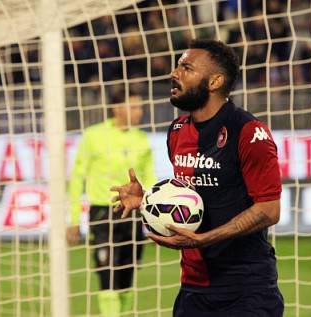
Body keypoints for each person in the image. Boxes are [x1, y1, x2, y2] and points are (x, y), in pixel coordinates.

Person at [110, 39, 284, 317]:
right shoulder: (177, 130)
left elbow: (269, 210)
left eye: (186, 68)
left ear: (215, 81)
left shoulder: (249, 132)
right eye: (178, 65)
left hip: (246, 291)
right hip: (193, 290)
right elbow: (193, 197)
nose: (174, 73)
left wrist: (204, 239)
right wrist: (145, 201)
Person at [67, 90, 156, 317]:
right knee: (107, 272)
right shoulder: (93, 136)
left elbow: (150, 179)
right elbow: (77, 178)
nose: (140, 111)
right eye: (134, 107)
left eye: (140, 107)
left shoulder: (142, 140)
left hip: (132, 213)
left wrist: (154, 217)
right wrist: (74, 219)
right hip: (102, 213)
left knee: (127, 274)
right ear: (117, 108)